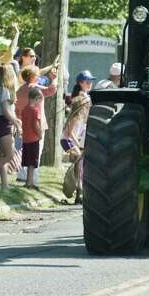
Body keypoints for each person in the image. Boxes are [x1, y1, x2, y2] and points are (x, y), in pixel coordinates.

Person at [15, 66, 58, 184]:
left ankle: (22, 175)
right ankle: (32, 178)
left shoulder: (20, 90)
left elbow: (17, 109)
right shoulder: (36, 89)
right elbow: (52, 90)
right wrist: (54, 78)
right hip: (37, 124)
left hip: (23, 124)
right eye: (37, 75)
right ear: (33, 76)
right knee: (35, 152)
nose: (39, 76)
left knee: (24, 151)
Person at [61, 71, 95, 203]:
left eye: (91, 81)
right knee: (80, 165)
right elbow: (70, 133)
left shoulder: (83, 105)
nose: (90, 84)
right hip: (67, 140)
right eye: (87, 82)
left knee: (80, 166)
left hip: (74, 141)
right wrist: (78, 147)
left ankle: (79, 192)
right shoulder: (78, 113)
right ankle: (78, 192)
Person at [21, 87, 43, 189]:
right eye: (39, 100)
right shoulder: (35, 110)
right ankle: (29, 183)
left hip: (26, 138)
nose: (39, 103)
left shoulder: (25, 109)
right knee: (32, 163)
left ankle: (29, 181)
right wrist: (40, 134)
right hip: (33, 139)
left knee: (28, 161)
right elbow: (36, 125)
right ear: (36, 98)